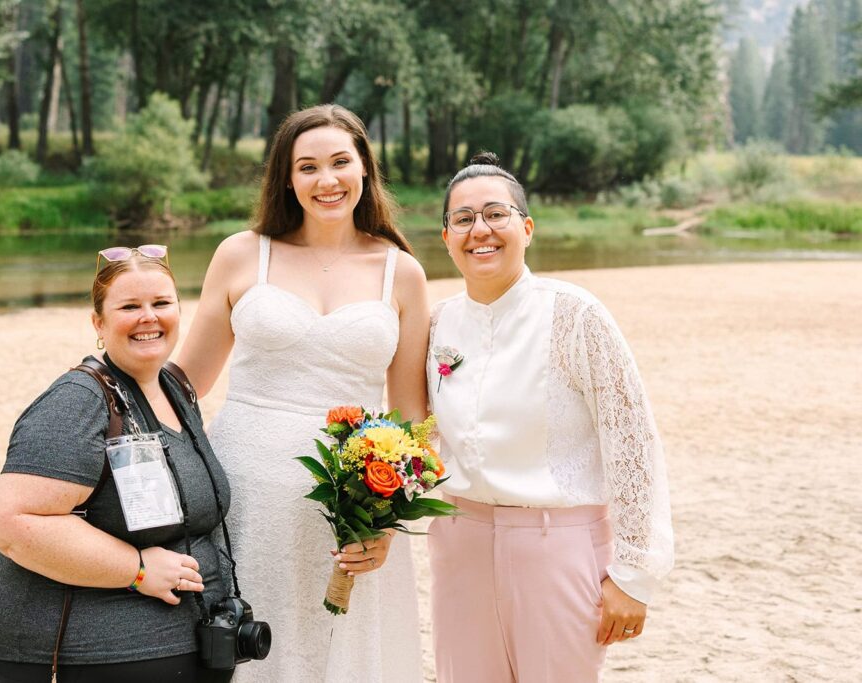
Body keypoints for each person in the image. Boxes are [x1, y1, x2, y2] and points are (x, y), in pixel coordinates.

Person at [177, 104, 429, 682]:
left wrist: (386, 522)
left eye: (341, 162)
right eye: (308, 166)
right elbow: (187, 383)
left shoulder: (401, 272)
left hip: (354, 506)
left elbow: (413, 418)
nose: (327, 180)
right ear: (287, 179)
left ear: (364, 168)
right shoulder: (242, 253)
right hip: (246, 494)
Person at [427, 153, 674, 682]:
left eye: (497, 214)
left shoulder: (575, 314)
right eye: (463, 219)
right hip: (459, 546)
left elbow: (631, 441)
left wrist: (633, 575)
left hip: (556, 546)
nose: (481, 231)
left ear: (527, 227)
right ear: (446, 237)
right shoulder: (439, 323)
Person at [0, 245, 236, 682]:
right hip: (57, 652)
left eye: (161, 303)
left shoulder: (175, 387)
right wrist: (137, 569)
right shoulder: (79, 401)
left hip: (178, 647)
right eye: (130, 306)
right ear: (99, 322)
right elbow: (13, 523)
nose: (149, 316)